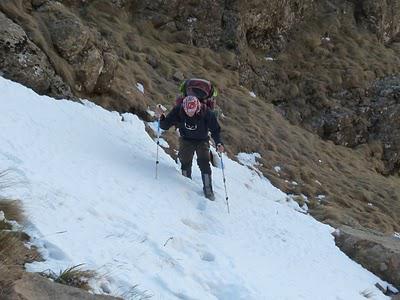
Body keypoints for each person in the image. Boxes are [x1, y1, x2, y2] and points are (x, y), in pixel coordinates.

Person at [155, 96, 224, 201]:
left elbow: (215, 129)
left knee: (204, 162)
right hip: (186, 139)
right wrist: (161, 117)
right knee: (185, 161)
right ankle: (186, 183)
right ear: (184, 108)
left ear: (197, 108)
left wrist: (219, 143)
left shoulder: (206, 112)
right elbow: (165, 125)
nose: (189, 114)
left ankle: (208, 189)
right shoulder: (178, 110)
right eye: (187, 111)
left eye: (192, 111)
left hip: (202, 140)